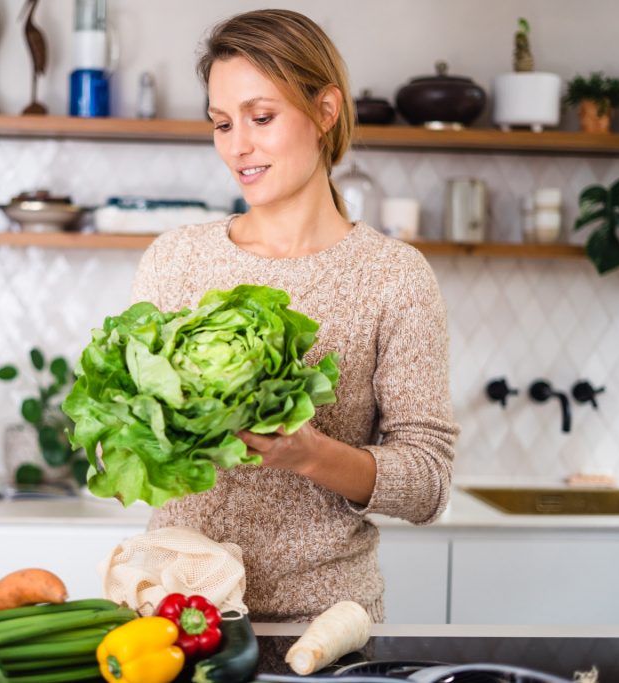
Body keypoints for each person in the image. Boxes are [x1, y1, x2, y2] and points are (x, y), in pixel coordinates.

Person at [129, 9, 460, 623]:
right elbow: (120, 434)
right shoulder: (175, 259)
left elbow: (429, 482)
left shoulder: (394, 275)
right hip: (178, 618)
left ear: (325, 110)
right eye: (222, 123)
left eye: (261, 117)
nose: (238, 146)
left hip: (327, 625)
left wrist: (312, 454)